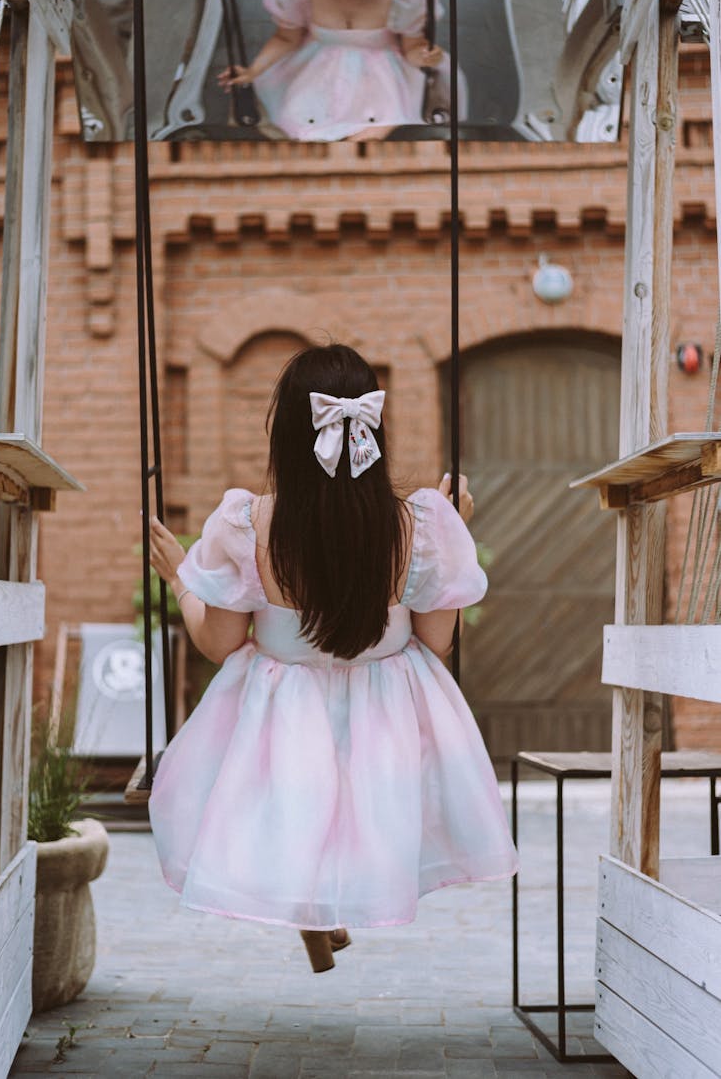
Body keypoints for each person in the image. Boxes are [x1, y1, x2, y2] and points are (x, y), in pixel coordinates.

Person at [148, 343, 517, 972]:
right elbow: (438, 642)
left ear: (286, 439)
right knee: (365, 803)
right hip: (388, 717)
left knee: (294, 799)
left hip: (281, 711)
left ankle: (312, 908)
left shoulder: (249, 524)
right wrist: (455, 546)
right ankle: (326, 910)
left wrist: (182, 580)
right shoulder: (417, 525)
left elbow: (219, 644)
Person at [218, 0, 465, 141]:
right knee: (299, 128)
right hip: (315, 74)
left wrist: (425, 56)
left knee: (374, 132)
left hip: (379, 81)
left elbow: (411, 47)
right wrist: (253, 71)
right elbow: (286, 37)